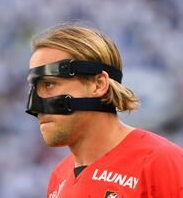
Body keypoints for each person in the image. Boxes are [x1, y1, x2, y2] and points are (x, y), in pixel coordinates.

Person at [25, 23, 183, 198]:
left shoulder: (160, 161)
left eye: (50, 84)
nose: (34, 106)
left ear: (99, 84)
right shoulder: (59, 177)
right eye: (35, 89)